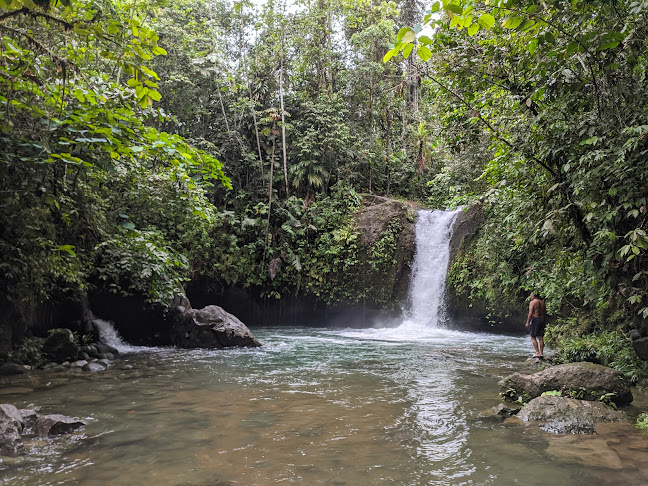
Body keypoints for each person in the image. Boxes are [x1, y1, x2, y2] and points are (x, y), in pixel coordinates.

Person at [525, 292, 547, 358]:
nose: (530, 297)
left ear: (533, 296)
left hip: (536, 319)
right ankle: (541, 353)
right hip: (542, 320)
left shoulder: (533, 302)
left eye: (531, 296)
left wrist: (527, 322)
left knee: (533, 336)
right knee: (540, 337)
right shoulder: (542, 302)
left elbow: (530, 312)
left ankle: (537, 352)